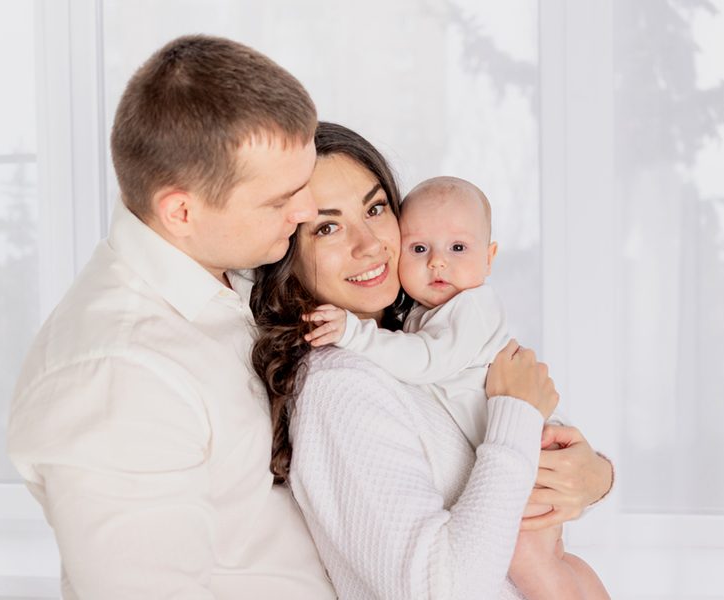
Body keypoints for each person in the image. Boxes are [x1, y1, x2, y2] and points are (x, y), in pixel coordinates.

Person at [7, 35, 335, 598]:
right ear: (180, 210)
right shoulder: (117, 378)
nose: (306, 211)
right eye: (280, 199)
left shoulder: (239, 270)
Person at [250, 121, 614, 599]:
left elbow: (498, 496)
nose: (370, 244)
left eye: (376, 208)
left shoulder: (408, 345)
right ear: (287, 256)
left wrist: (593, 477)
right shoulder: (339, 384)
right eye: (327, 226)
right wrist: (516, 412)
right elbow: (437, 590)